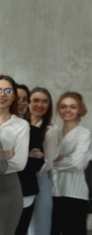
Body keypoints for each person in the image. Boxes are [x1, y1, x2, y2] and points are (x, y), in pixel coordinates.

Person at [0, 75, 30, 235]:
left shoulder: (21, 125)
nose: (2, 94)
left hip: (8, 191)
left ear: (14, 97)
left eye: (8, 91)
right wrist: (6, 154)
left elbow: (19, 163)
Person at [51, 91, 91, 235]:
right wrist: (62, 158)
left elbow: (77, 163)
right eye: (63, 106)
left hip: (75, 196)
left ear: (80, 110)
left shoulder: (84, 133)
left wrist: (51, 165)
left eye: (73, 107)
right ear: (58, 109)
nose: (68, 110)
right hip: (53, 193)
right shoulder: (54, 133)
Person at [14, 84, 45, 235]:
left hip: (26, 191)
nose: (22, 102)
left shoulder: (33, 131)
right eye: (17, 98)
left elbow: (38, 164)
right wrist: (26, 155)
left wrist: (9, 156)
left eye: (25, 99)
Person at [28, 87, 59, 235]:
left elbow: (48, 162)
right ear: (28, 103)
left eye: (45, 102)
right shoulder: (21, 124)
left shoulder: (51, 129)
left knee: (40, 226)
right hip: (20, 180)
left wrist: (27, 166)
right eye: (36, 100)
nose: (40, 105)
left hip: (40, 180)